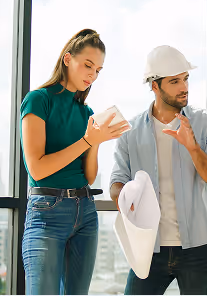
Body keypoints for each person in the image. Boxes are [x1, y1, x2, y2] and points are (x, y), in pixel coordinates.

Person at [110, 45, 207, 295]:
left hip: (199, 246)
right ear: (155, 86)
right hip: (149, 249)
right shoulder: (129, 131)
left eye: (185, 79)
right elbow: (116, 184)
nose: (184, 87)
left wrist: (193, 148)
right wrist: (128, 196)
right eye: (174, 81)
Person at [20, 29, 129, 295]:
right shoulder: (38, 100)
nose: (92, 75)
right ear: (68, 59)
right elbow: (37, 168)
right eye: (88, 65)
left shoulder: (88, 113)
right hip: (47, 212)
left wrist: (97, 141)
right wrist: (87, 141)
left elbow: (89, 177)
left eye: (98, 70)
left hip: (86, 212)